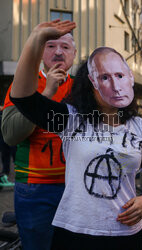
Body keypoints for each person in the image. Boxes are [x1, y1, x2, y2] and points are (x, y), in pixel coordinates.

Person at [9, 20, 142, 250]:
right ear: (89, 84)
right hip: (74, 233)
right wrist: (36, 38)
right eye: (103, 77)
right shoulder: (71, 119)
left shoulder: (139, 126)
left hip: (126, 235)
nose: (114, 84)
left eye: (119, 75)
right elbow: (23, 97)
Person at [1, 22, 76, 250]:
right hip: (35, 188)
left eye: (65, 46)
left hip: (75, 188)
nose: (59, 51)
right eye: (51, 45)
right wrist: (46, 94)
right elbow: (11, 135)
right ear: (41, 52)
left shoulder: (84, 90)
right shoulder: (24, 84)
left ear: (74, 54)